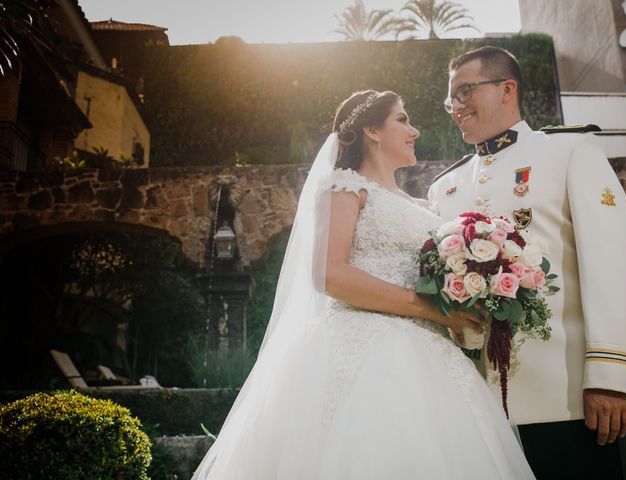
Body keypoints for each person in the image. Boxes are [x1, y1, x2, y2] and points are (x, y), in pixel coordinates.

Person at [192, 90, 535, 479]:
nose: (415, 130)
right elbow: (328, 274)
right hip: (365, 345)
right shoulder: (344, 188)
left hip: (434, 352)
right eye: (403, 120)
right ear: (371, 129)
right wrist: (435, 310)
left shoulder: (421, 205)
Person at [428, 45, 626, 479]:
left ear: (507, 88)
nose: (457, 107)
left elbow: (612, 262)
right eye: (452, 99)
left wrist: (608, 376)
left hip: (565, 399)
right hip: (479, 410)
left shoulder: (568, 151)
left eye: (466, 91)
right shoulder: (444, 188)